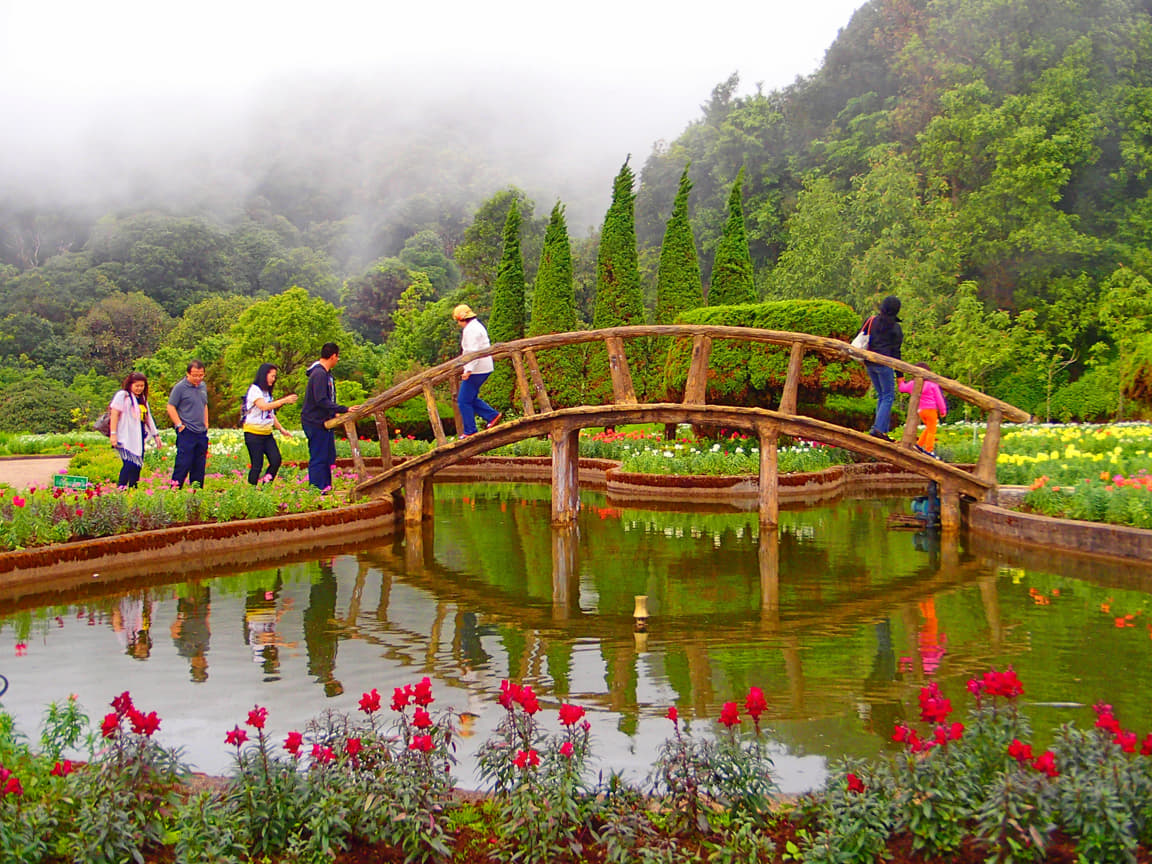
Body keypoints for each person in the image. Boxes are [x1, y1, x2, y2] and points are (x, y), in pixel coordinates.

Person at [300, 342, 356, 491]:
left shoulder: (326, 374)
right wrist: (344, 409)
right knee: (318, 457)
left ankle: (326, 487)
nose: (337, 360)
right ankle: (317, 489)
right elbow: (321, 400)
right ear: (333, 356)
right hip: (315, 422)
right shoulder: (319, 374)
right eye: (337, 357)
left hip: (324, 422)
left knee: (327, 456)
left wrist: (334, 412)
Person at [243, 363, 298, 485]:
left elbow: (270, 413)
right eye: (272, 376)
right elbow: (263, 406)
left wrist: (281, 429)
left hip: (267, 433)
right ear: (264, 375)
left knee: (276, 460)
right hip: (253, 433)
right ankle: (252, 491)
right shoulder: (255, 390)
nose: (273, 379)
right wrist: (284, 401)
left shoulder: (267, 392)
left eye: (274, 377)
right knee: (257, 464)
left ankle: (266, 486)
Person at [452, 304, 502, 436]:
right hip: (483, 367)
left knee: (463, 400)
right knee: (470, 398)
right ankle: (492, 415)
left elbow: (473, 352)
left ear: (461, 319)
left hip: (477, 369)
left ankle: (470, 431)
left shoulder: (471, 330)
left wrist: (468, 370)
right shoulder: (476, 326)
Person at [108, 371, 163, 488]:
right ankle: (121, 489)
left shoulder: (142, 399)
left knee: (137, 467)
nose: (139, 388)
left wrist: (156, 435)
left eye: (142, 386)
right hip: (125, 436)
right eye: (137, 386)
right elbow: (114, 414)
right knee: (128, 465)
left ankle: (133, 489)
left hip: (138, 437)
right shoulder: (123, 396)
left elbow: (148, 418)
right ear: (130, 385)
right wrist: (113, 434)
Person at [862, 296, 903, 441]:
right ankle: (878, 429)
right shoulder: (895, 328)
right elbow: (896, 353)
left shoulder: (872, 321)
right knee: (888, 396)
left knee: (882, 395)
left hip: (869, 362)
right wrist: (900, 375)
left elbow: (862, 335)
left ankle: (881, 430)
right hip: (884, 364)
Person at [167, 360, 210, 488]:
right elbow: (170, 406)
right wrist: (179, 425)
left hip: (201, 431)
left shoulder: (202, 386)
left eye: (201, 375)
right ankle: (175, 490)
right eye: (195, 375)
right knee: (183, 463)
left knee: (199, 465)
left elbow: (204, 404)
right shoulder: (180, 388)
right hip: (187, 431)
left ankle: (196, 491)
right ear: (188, 374)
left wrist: (206, 423)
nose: (198, 378)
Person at [898, 362, 947, 457]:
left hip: (921, 410)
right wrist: (943, 410)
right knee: (932, 430)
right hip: (931, 409)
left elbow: (902, 389)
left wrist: (901, 381)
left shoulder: (913, 383)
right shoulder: (932, 385)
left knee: (928, 428)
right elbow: (939, 398)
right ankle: (929, 450)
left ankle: (919, 445)